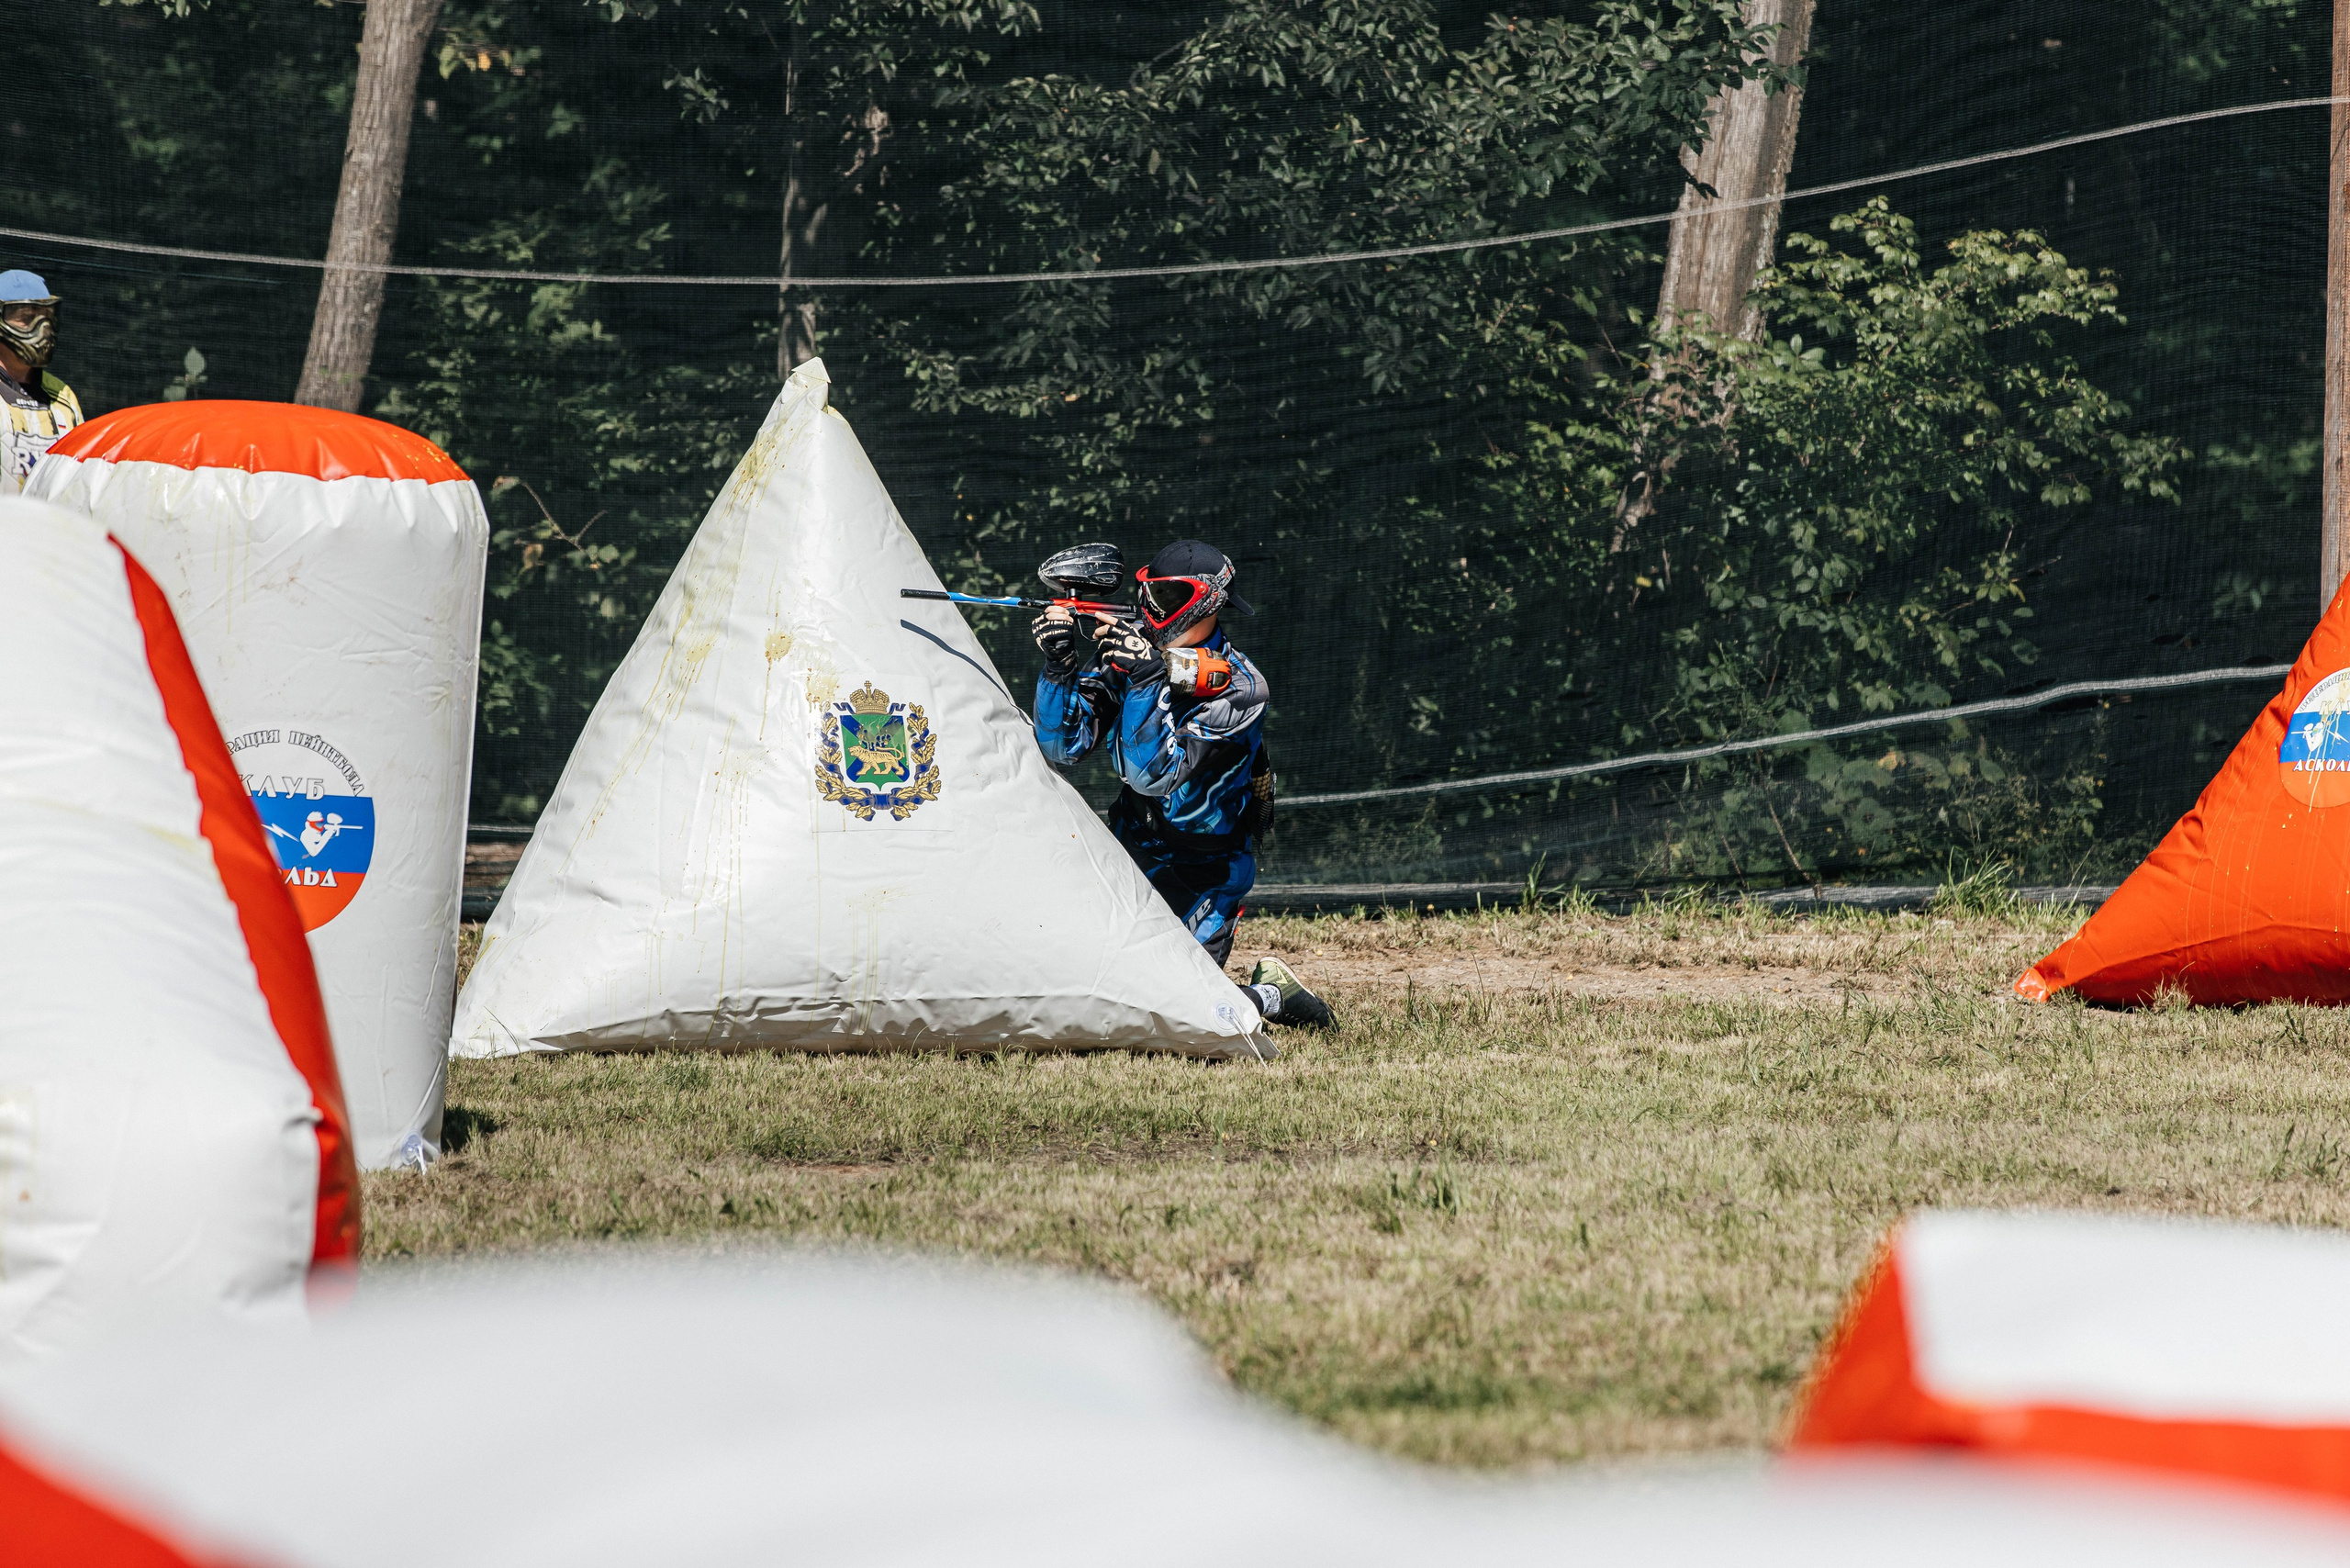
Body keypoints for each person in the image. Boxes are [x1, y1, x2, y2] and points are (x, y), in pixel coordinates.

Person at [1033, 539, 1335, 1032]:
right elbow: (1061, 747)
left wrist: (1147, 678)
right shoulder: (1130, 658)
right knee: (1083, 984)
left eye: (1167, 598)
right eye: (1148, 595)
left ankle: (1272, 994)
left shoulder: (1242, 688)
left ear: (1207, 601)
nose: (1152, 610)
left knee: (1181, 1010)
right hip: (1129, 851)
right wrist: (1059, 668)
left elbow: (1150, 775)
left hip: (1206, 873)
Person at [0, 270, 80, 498]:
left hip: (48, 530)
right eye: (26, 318)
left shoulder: (64, 398)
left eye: (47, 317)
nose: (42, 329)